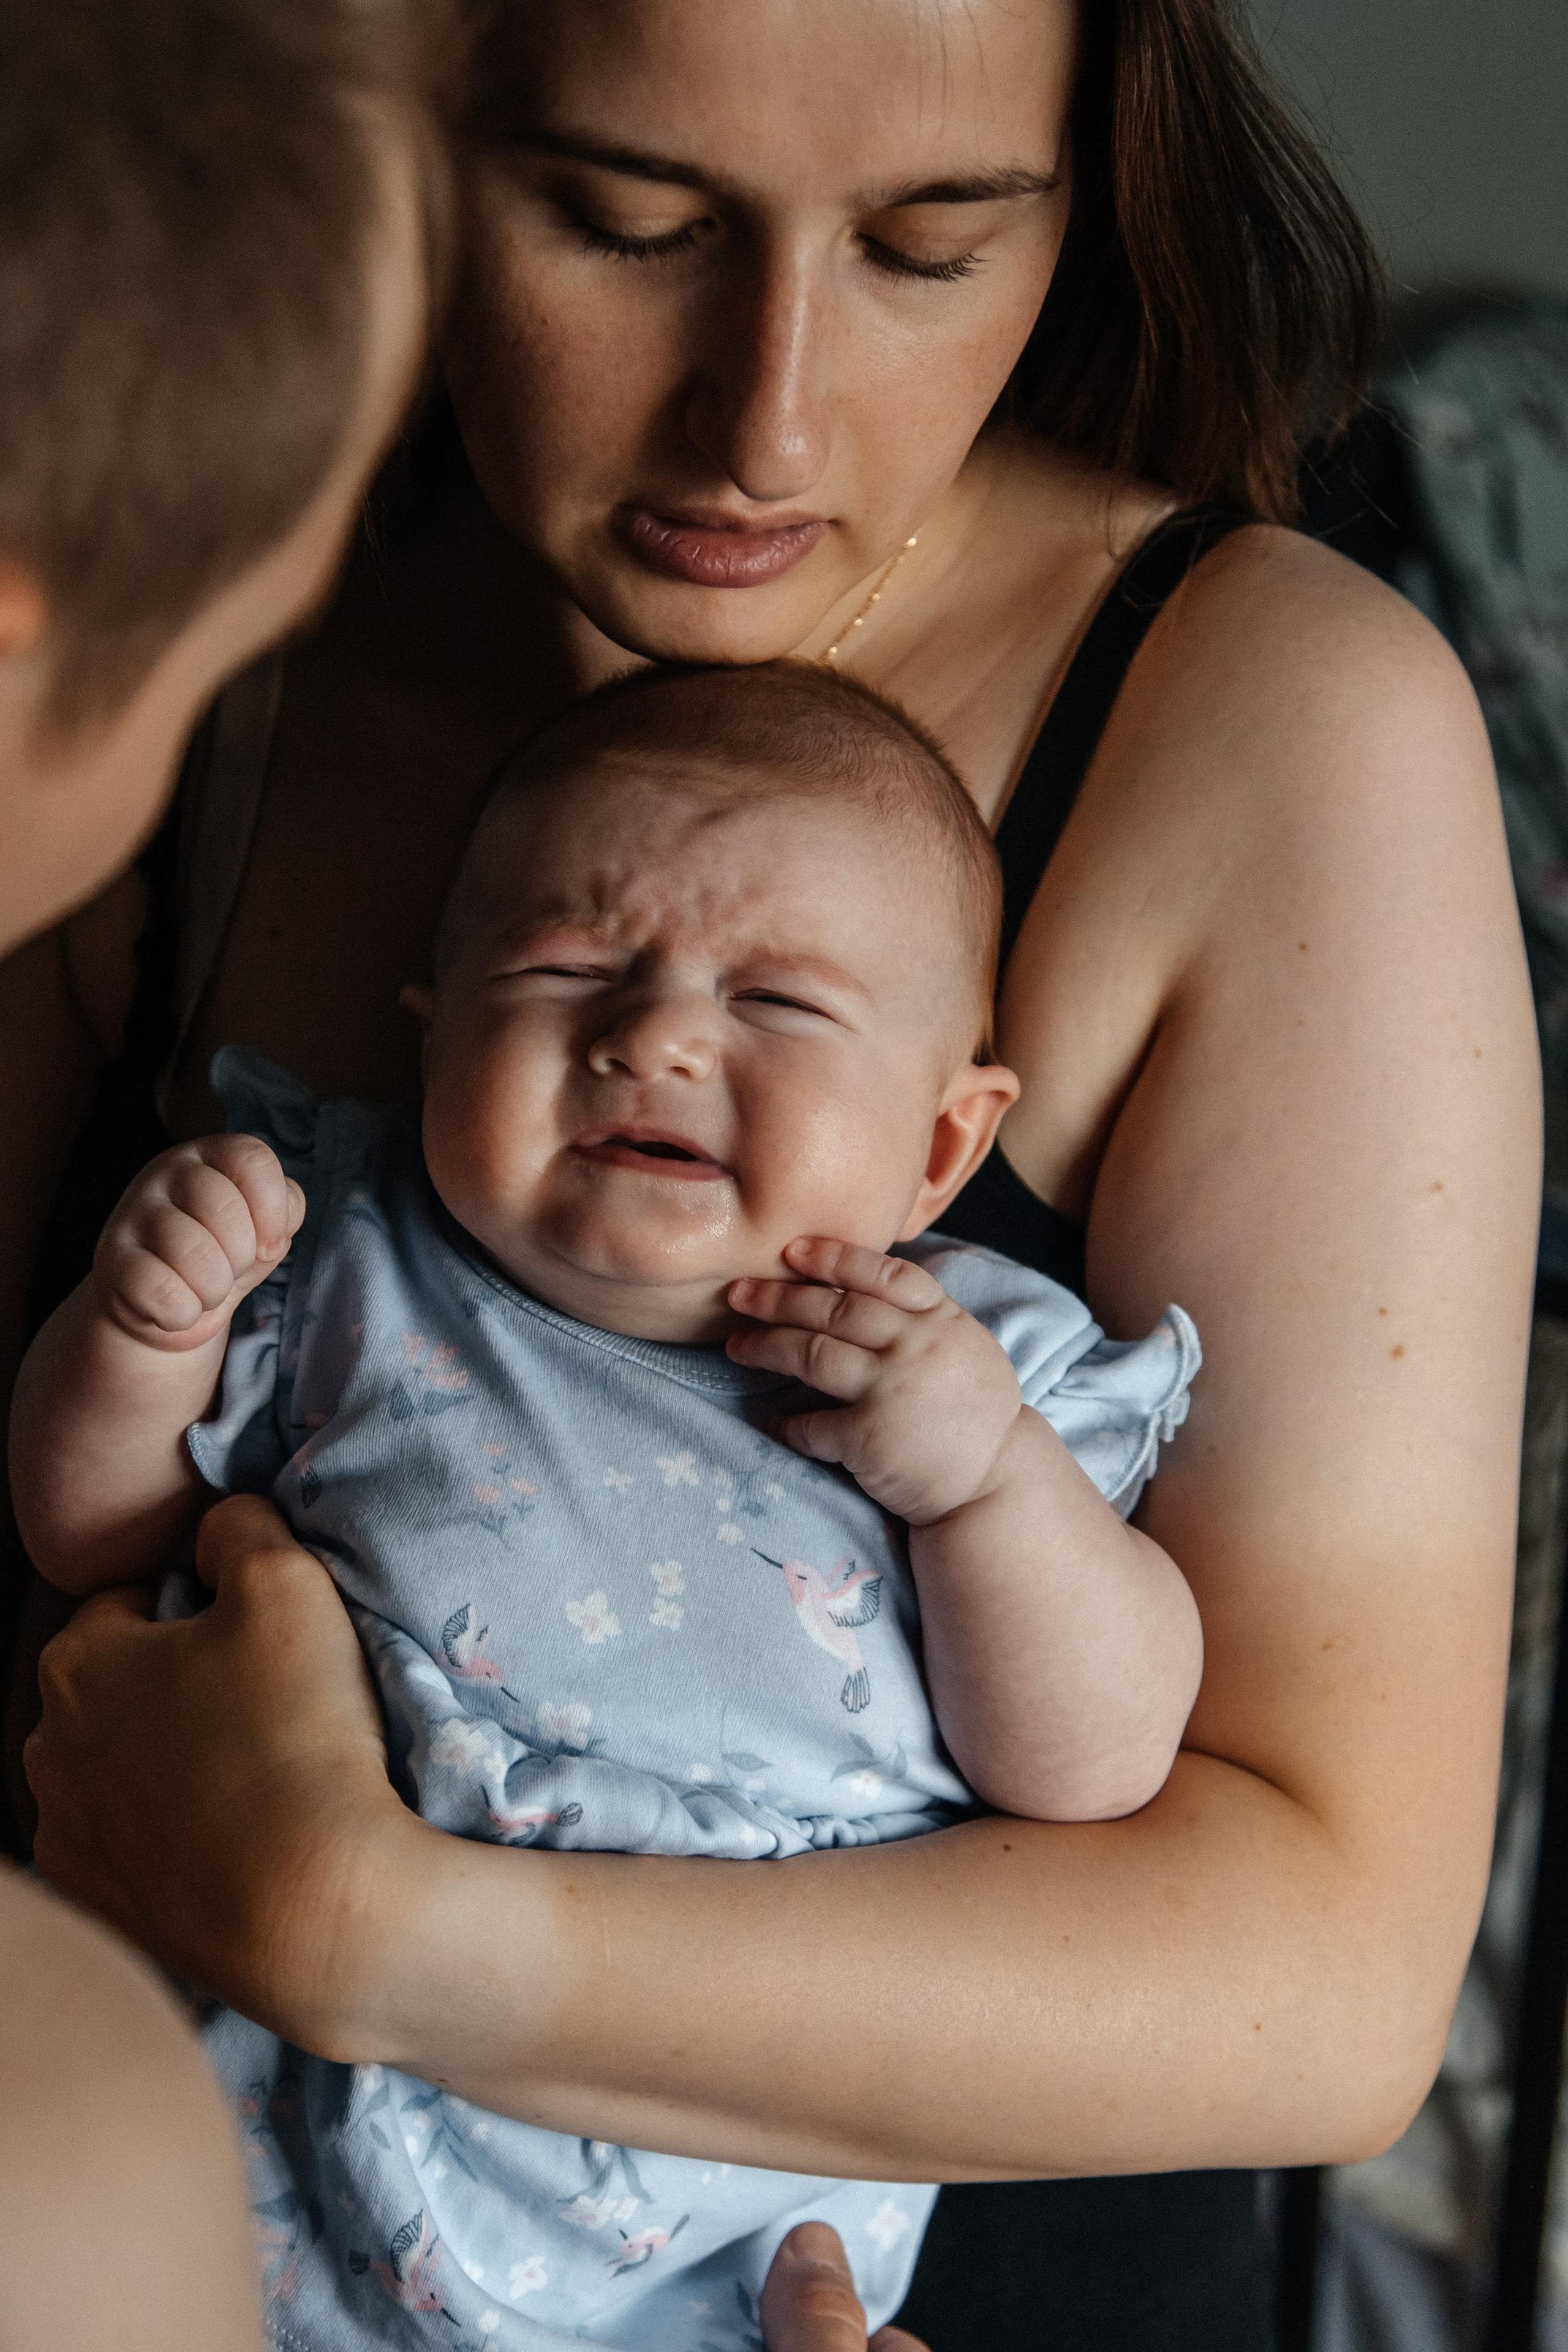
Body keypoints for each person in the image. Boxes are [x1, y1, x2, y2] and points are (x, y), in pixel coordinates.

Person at [13, 0, 1539, 2344]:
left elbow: (1325, 1986)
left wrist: (372, 1930)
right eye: (623, 220)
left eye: (936, 241)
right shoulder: (196, 608)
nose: (770, 417)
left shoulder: (1275, 726)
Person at [14, 658, 1204, 2344]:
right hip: (236, 2180)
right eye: (567, 967)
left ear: (945, 1148)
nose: (652, 1033)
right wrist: (142, 1334)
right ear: (433, 1031)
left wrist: (992, 1486)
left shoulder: (978, 1373)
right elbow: (94, 1543)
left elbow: (1091, 1765)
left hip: (686, 2253)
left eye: (777, 1005)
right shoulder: (343, 1251)